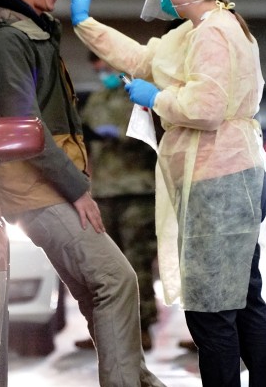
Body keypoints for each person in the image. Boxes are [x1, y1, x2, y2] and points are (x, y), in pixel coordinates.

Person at [64, 0, 266, 387]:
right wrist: (86, 23)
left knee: (213, 312)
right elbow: (143, 59)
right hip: (225, 177)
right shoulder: (195, 29)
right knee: (242, 302)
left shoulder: (213, 32)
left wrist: (156, 99)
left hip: (221, 178)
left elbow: (207, 105)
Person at [0, 0, 166, 387]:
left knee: (101, 294)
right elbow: (25, 130)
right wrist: (77, 192)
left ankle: (139, 381)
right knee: (117, 280)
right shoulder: (6, 42)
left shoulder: (33, 33)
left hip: (44, 183)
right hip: (30, 187)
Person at [76, 53, 159, 351]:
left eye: (106, 64)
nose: (101, 69)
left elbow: (144, 134)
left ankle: (142, 328)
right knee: (105, 267)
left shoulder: (136, 94)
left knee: (136, 262)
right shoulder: (97, 98)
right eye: (96, 65)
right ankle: (107, 330)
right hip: (103, 192)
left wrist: (115, 134)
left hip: (136, 190)